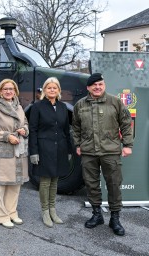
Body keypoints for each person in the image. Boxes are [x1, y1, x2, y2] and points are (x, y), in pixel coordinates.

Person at [72, 73, 133, 236]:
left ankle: (115, 218)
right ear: (88, 88)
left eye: (100, 84)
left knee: (113, 184)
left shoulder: (115, 102)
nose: (97, 87)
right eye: (94, 85)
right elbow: (75, 127)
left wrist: (127, 145)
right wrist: (78, 144)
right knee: (91, 184)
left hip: (110, 151)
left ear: (104, 85)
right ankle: (97, 214)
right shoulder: (80, 105)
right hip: (88, 151)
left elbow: (126, 123)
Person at [29, 77, 72, 228]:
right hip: (43, 148)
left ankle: (53, 209)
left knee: (55, 181)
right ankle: (45, 211)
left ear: (59, 90)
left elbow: (66, 130)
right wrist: (33, 152)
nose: (52, 90)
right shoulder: (37, 107)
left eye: (55, 88)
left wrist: (68, 149)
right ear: (44, 90)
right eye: (49, 88)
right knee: (46, 181)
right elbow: (33, 130)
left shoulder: (62, 107)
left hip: (59, 148)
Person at [0, 78, 29, 229]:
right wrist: (7, 136)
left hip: (19, 150)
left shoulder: (19, 107)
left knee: (15, 183)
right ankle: (1, 215)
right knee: (2, 184)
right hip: (4, 150)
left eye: (11, 89)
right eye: (6, 89)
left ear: (15, 91)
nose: (9, 91)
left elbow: (25, 123)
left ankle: (12, 212)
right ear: (0, 91)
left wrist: (24, 130)